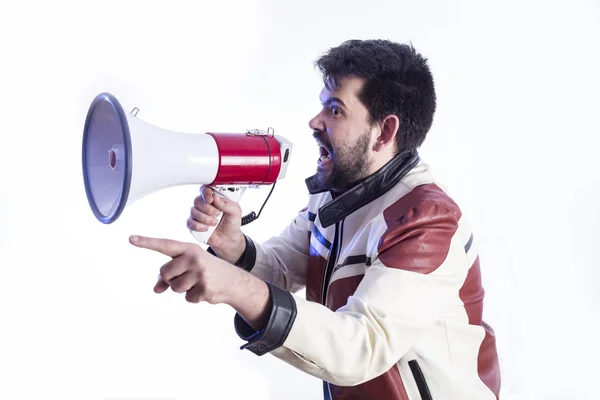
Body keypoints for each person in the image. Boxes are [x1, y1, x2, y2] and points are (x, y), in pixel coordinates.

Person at [129, 39, 502, 399]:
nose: (314, 121)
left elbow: (361, 347)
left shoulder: (427, 222)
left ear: (384, 132)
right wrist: (233, 247)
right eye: (322, 106)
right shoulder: (335, 191)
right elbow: (282, 269)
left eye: (335, 110)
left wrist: (234, 286)